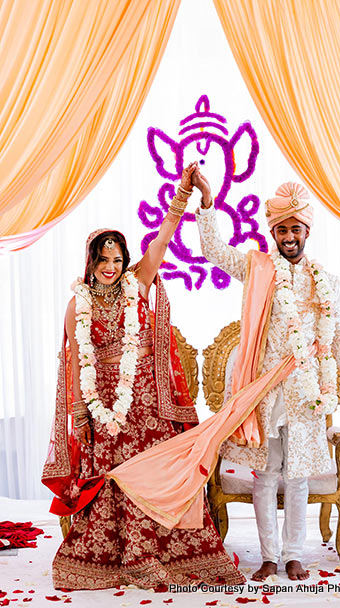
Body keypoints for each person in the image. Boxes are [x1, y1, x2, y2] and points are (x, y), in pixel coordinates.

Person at [41, 163, 245, 591]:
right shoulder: (76, 305)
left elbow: (163, 239)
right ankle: (125, 554)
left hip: (147, 400)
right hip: (105, 403)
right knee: (116, 475)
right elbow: (76, 362)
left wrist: (185, 194)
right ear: (91, 262)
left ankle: (161, 551)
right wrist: (82, 413)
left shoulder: (139, 282)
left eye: (117, 259)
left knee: (154, 472)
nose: (111, 267)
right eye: (103, 260)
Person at [192, 169, 340, 581]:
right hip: (266, 394)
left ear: (307, 232)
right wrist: (207, 202)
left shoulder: (327, 281)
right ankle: (269, 556)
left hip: (307, 394)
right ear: (273, 231)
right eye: (282, 229)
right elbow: (215, 250)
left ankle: (294, 555)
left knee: (299, 475)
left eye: (296, 229)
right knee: (267, 474)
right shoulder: (258, 269)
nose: (289, 236)